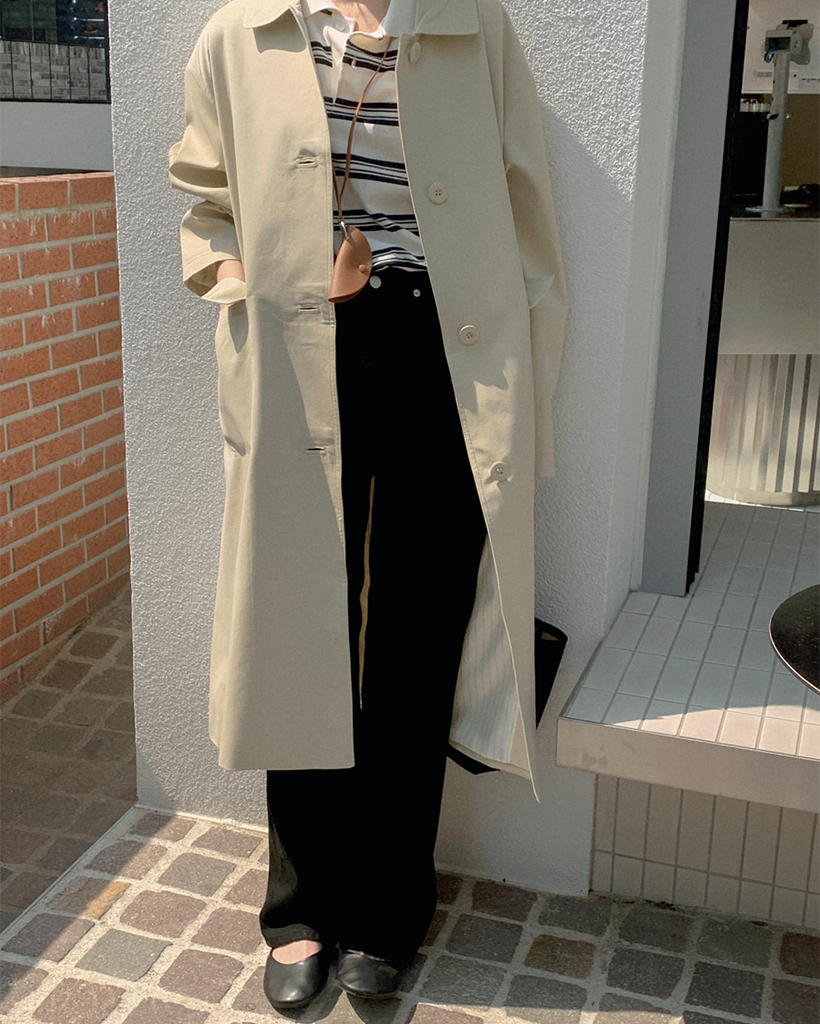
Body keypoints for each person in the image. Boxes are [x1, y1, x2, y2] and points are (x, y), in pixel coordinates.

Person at [169, 0, 567, 1009]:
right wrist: (243, 282)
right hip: (302, 352)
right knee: (297, 631)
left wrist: (534, 378)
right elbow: (204, 197)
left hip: (448, 352)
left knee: (417, 634)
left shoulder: (472, 24)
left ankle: (389, 906)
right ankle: (299, 907)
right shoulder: (244, 32)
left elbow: (526, 203)